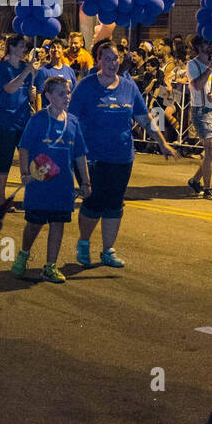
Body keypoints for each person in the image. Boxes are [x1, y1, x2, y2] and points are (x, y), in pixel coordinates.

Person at [68, 41, 176, 269]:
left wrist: (163, 143)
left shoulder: (128, 87)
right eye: (106, 58)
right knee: (94, 202)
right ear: (98, 61)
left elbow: (144, 117)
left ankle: (108, 250)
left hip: (121, 156)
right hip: (91, 157)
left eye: (115, 58)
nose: (111, 63)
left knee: (114, 204)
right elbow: (72, 119)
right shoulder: (86, 86)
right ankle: (84, 242)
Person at [10, 76, 91, 282]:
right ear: (48, 96)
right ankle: (24, 253)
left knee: (58, 223)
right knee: (34, 224)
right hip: (39, 184)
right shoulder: (37, 119)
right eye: (62, 93)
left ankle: (50, 266)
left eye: (68, 93)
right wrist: (25, 174)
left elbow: (80, 154)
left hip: (63, 185)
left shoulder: (73, 122)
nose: (67, 97)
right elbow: (24, 147)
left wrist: (85, 182)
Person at [0, 34, 36, 212]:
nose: (25, 50)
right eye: (22, 46)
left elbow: (28, 91)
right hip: (4, 122)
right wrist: (26, 72)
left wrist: (33, 80)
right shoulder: (3, 68)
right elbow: (9, 88)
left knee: (28, 160)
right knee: (5, 160)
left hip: (23, 120)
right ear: (12, 48)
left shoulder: (26, 67)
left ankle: (30, 197)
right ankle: (1, 199)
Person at [186, 36, 212, 200]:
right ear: (198, 46)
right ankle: (208, 188)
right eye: (207, 43)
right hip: (201, 111)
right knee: (210, 148)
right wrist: (209, 69)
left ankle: (195, 180)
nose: (211, 46)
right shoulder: (192, 64)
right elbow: (196, 84)